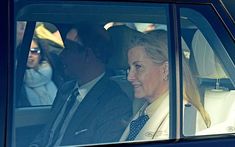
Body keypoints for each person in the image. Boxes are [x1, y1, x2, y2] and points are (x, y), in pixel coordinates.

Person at [29, 23, 132, 146]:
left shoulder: (115, 104)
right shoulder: (66, 89)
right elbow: (46, 134)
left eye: (68, 49)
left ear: (87, 54)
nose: (62, 55)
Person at [120, 30, 211, 141]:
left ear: (165, 69)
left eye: (138, 67)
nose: (129, 77)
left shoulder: (185, 118)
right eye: (129, 68)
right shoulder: (144, 111)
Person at [20, 38, 57, 106]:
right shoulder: (17, 82)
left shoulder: (55, 75)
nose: (29, 55)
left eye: (34, 51)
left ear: (41, 55)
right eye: (25, 51)